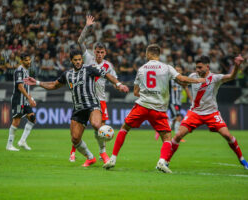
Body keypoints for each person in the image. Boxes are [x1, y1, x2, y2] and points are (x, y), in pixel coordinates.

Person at [103, 44, 205, 173]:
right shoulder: (167, 68)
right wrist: (199, 80)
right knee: (167, 137)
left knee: (125, 128)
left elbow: (135, 92)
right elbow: (182, 79)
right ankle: (162, 162)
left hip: (142, 105)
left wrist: (148, 94)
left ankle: (112, 158)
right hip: (159, 108)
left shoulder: (141, 69)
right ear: (159, 54)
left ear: (149, 54)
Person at [24, 49, 129, 167]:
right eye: (75, 60)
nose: (78, 62)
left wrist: (119, 84)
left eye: (80, 59)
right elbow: (54, 85)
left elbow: (107, 75)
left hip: (92, 105)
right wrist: (37, 83)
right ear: (71, 61)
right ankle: (90, 157)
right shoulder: (67, 74)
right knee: (75, 139)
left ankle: (103, 154)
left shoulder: (89, 69)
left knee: (96, 125)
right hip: (78, 109)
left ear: (82, 60)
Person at [167, 55, 248, 170]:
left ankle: (242, 160)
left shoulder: (215, 78)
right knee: (178, 135)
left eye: (200, 67)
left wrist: (236, 66)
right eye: (196, 67)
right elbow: (184, 84)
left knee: (227, 135)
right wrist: (175, 78)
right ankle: (165, 161)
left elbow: (231, 76)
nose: (197, 70)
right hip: (195, 113)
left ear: (207, 66)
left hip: (212, 113)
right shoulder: (193, 76)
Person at [68, 15, 119, 163]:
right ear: (94, 51)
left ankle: (102, 154)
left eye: (102, 52)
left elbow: (112, 78)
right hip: (85, 99)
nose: (99, 54)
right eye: (97, 52)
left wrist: (119, 84)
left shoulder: (108, 65)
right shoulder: (87, 59)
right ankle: (74, 152)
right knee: (78, 129)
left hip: (100, 100)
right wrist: (87, 26)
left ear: (105, 53)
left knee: (100, 129)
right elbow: (79, 41)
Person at [6, 53, 36, 151]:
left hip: (25, 100)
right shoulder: (19, 70)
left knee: (32, 118)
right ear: (22, 61)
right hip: (18, 99)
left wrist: (30, 97)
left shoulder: (26, 71)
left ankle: (22, 141)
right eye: (26, 60)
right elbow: (20, 86)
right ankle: (9, 145)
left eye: (29, 60)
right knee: (16, 121)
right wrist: (29, 98)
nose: (29, 62)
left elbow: (26, 87)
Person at [155, 65, 192, 141]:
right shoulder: (171, 79)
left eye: (179, 70)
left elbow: (186, 89)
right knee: (178, 117)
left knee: (174, 119)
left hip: (178, 103)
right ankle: (177, 136)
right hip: (172, 102)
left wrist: (191, 99)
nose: (178, 71)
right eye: (176, 70)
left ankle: (160, 130)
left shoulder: (182, 80)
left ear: (182, 71)